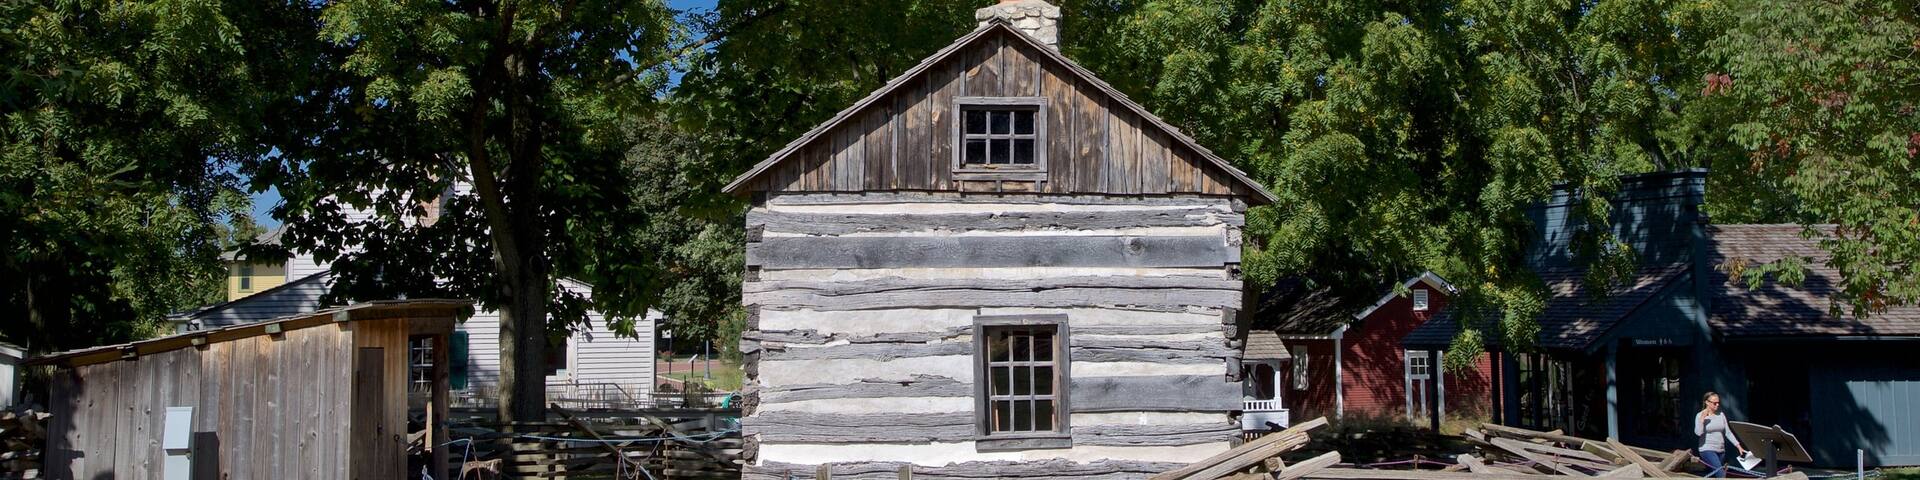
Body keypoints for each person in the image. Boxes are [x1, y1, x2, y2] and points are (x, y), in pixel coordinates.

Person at [1695, 391, 1748, 477]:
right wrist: (1702, 419)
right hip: (1707, 449)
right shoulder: (1699, 415)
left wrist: (1738, 446)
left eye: (1718, 403)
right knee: (1721, 474)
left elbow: (1728, 432)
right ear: (1707, 402)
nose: (1717, 405)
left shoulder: (1721, 415)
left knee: (1712, 474)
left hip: (1720, 450)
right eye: (1714, 403)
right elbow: (1698, 433)